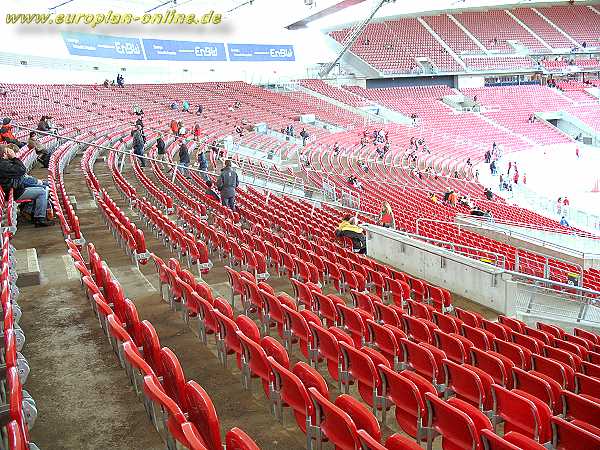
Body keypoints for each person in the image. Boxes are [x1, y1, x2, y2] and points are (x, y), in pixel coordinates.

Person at [0, 145, 53, 226]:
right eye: (8, 151)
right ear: (4, 154)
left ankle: (30, 212)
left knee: (41, 188)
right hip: (14, 191)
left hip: (15, 188)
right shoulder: (3, 165)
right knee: (42, 192)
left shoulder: (4, 163)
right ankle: (40, 219)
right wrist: (14, 157)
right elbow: (21, 170)